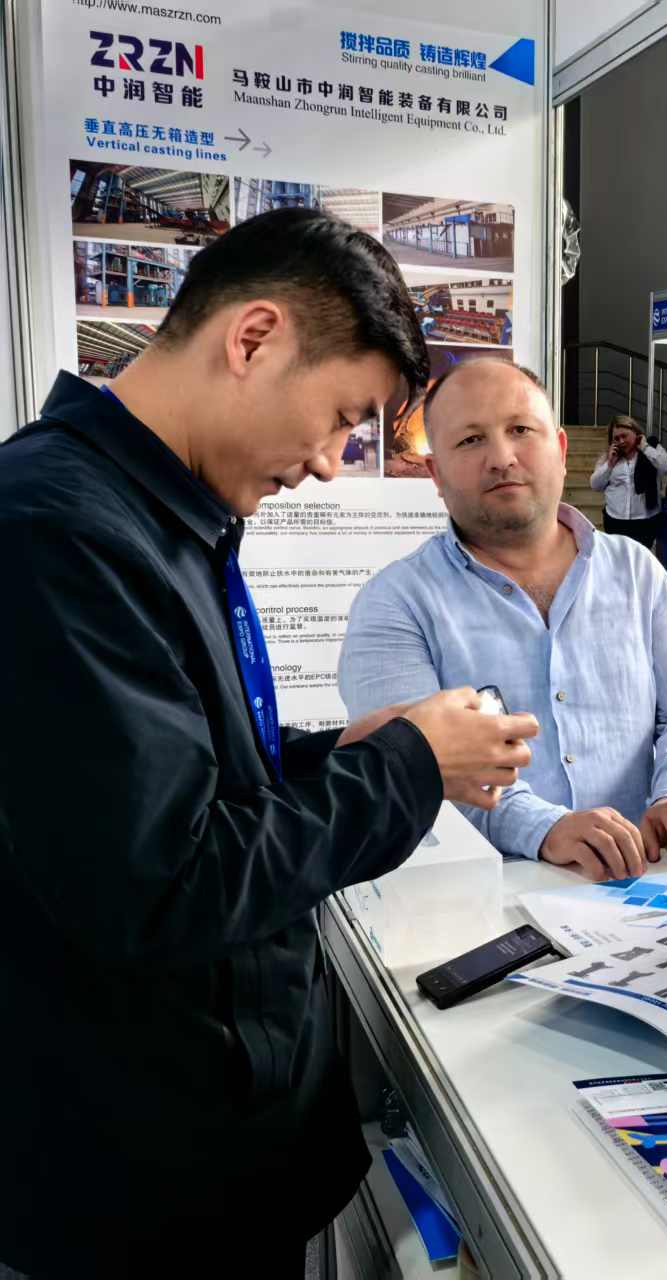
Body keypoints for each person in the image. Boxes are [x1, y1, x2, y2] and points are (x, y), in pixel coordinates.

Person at [0, 207, 539, 1276]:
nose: (332, 464)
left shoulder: (161, 513)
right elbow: (164, 880)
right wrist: (407, 767)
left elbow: (180, 768)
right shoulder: (59, 533)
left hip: (207, 1132)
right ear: (252, 339)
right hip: (135, 1183)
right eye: (341, 417)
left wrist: (338, 750)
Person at [338, 359, 667, 882]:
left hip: (647, 884)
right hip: (485, 902)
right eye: (470, 440)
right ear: (435, 475)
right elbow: (410, 766)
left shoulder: (636, 572)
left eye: (521, 430)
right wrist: (544, 828)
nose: (502, 458)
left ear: (561, 451)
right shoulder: (396, 603)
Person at [589, 412, 667, 547]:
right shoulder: (609, 456)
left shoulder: (652, 447)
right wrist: (610, 464)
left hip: (645, 520)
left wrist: (645, 448)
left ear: (635, 432)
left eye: (624, 436)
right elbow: (595, 485)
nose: (621, 441)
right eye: (616, 438)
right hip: (615, 520)